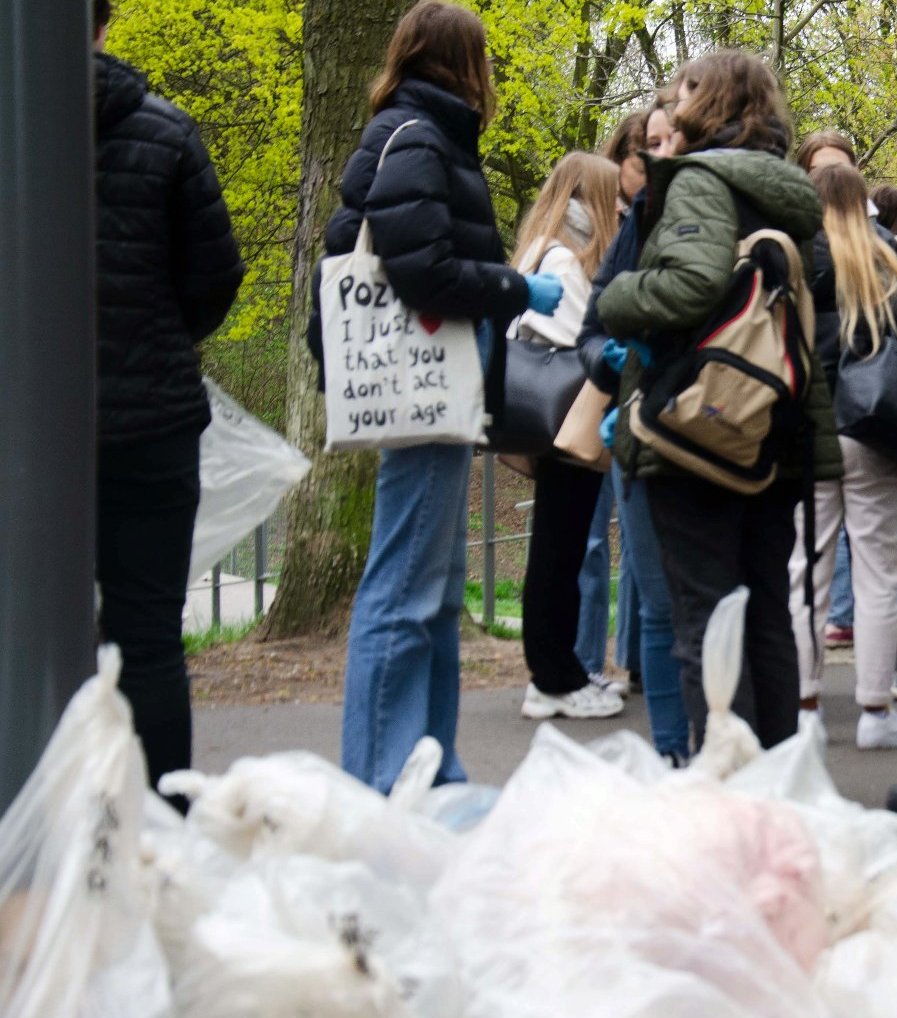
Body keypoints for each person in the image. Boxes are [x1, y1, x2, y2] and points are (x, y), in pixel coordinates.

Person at [321, 0, 564, 792]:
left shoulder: (415, 135)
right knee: (405, 587)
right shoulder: (421, 138)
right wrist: (515, 287)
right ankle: (386, 777)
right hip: (425, 387)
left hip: (437, 389)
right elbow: (420, 267)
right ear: (464, 63)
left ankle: (431, 766)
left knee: (431, 588)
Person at [595, 50, 835, 750]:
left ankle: (729, 797)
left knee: (705, 620)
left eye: (688, 86)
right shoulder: (787, 192)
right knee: (764, 614)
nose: (675, 92)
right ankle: (776, 791)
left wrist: (615, 296)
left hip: (698, 430)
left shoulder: (700, 180)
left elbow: (693, 285)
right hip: (772, 430)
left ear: (715, 102)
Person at [92, 0, 245, 797]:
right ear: (104, 22)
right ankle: (159, 827)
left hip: (25, 433)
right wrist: (162, 331)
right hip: (149, 421)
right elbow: (215, 273)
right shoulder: (167, 132)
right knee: (148, 634)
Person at [790, 164, 897, 749]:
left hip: (808, 434)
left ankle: (804, 708)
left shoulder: (792, 267)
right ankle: (876, 713)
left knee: (806, 571)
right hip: (875, 433)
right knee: (879, 573)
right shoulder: (884, 272)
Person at [580, 96, 693, 764]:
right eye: (648, 141)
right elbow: (594, 323)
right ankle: (673, 754)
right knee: (655, 602)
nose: (658, 151)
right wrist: (609, 359)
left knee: (699, 604)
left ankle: (716, 753)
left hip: (709, 432)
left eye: (669, 136)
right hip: (638, 433)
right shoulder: (638, 220)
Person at [510, 152, 625, 721]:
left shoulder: (541, 247)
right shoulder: (567, 258)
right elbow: (586, 332)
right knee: (560, 549)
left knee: (555, 548)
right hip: (570, 417)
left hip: (543, 419)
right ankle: (554, 677)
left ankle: (558, 673)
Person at [825, 184, 897, 665]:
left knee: (812, 558)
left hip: (817, 424)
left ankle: (807, 695)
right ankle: (885, 683)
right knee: (891, 550)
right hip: (884, 421)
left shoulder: (797, 264)